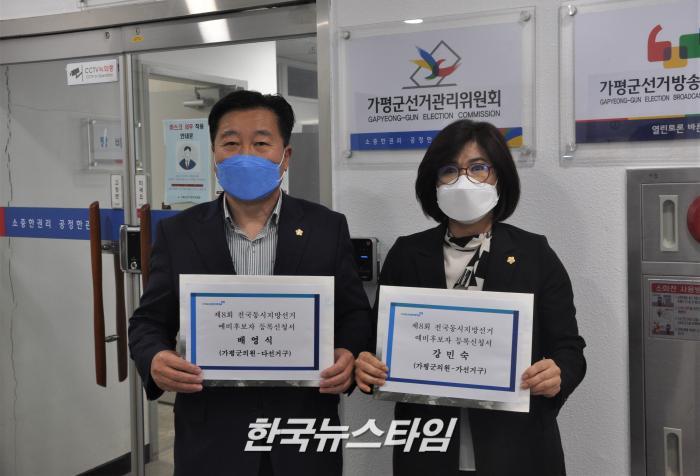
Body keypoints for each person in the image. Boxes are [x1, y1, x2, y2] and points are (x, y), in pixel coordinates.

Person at [129, 90, 372, 476]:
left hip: (302, 435)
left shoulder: (326, 227)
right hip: (212, 439)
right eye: (230, 143)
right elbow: (147, 323)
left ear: (285, 156)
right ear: (213, 155)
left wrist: (348, 352)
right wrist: (155, 358)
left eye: (260, 143)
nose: (245, 155)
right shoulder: (179, 233)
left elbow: (355, 313)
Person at [355, 120, 586, 476]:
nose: (463, 180)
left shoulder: (534, 254)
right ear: (433, 183)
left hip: (517, 449)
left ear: (500, 178)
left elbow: (570, 349)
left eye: (478, 168)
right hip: (428, 452)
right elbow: (375, 347)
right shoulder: (407, 254)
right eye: (449, 170)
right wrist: (367, 366)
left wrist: (558, 373)